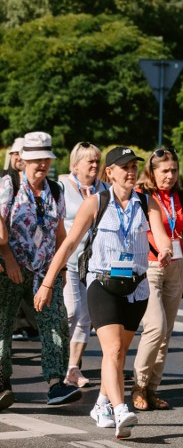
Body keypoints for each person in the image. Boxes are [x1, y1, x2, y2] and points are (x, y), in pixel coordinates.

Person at [35, 146, 173, 438]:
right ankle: (121, 410)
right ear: (110, 173)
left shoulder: (147, 203)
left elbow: (161, 235)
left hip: (136, 288)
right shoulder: (96, 203)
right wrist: (48, 283)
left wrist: (165, 250)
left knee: (119, 353)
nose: (131, 172)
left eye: (134, 167)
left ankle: (101, 403)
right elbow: (69, 244)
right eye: (124, 167)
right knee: (112, 350)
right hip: (103, 284)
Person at [0, 132, 80, 407]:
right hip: (9, 268)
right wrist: (7, 257)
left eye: (45, 159)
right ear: (22, 160)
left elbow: (60, 232)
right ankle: (1, 382)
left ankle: (56, 384)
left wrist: (62, 269)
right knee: (2, 324)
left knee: (55, 323)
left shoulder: (55, 189)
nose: (41, 164)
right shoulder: (9, 184)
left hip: (45, 269)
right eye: (36, 159)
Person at [131, 148, 183, 411]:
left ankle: (151, 390)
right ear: (152, 171)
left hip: (177, 266)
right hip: (149, 266)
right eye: (164, 171)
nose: (169, 176)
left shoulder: (182, 197)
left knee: (166, 333)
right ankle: (138, 385)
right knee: (155, 327)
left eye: (173, 170)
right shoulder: (142, 196)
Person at [60, 142, 109, 388]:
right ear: (75, 164)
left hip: (94, 263)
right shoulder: (61, 187)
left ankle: (72, 368)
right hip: (69, 260)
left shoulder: (105, 189)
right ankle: (57, 360)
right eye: (89, 161)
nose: (94, 165)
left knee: (86, 317)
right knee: (71, 310)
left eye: (97, 161)